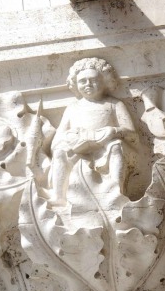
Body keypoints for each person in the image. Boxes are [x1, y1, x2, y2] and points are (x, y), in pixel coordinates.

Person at [49, 58, 136, 205]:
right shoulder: (72, 108)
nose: (88, 84)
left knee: (116, 146)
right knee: (59, 152)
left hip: (105, 148)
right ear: (75, 84)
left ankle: (117, 192)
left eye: (93, 80)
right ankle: (59, 196)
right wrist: (71, 138)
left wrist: (113, 131)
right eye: (82, 81)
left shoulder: (114, 104)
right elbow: (58, 139)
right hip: (79, 149)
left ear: (105, 81)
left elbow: (132, 133)